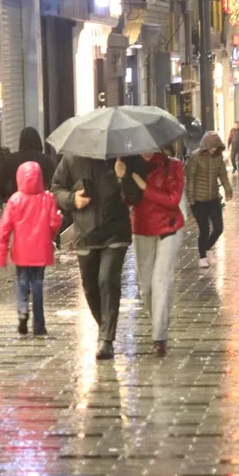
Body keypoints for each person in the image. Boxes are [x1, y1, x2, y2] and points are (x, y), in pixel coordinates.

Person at [51, 154, 143, 360]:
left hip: (115, 233)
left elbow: (136, 197)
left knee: (107, 279)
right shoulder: (72, 159)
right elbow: (57, 188)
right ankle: (105, 328)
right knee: (90, 287)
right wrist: (72, 199)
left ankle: (106, 339)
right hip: (86, 235)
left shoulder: (123, 156)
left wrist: (123, 177)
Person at [0, 162, 62, 336]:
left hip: (21, 251)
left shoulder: (15, 200)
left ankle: (23, 309)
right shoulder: (48, 198)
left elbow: (4, 229)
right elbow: (54, 223)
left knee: (22, 281)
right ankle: (39, 324)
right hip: (41, 250)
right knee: (38, 283)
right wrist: (55, 227)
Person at [129, 150, 185, 357]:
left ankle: (159, 337)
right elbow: (124, 199)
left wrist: (144, 187)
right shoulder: (129, 165)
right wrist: (120, 177)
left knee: (160, 281)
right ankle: (158, 325)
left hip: (169, 228)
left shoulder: (172, 165)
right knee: (145, 287)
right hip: (141, 228)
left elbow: (173, 199)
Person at [186, 132, 233, 268]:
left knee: (218, 228)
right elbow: (190, 179)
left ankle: (207, 248)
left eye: (216, 147)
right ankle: (202, 257)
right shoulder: (195, 157)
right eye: (211, 147)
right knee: (204, 228)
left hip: (213, 198)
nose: (213, 149)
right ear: (205, 146)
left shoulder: (218, 157)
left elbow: (223, 174)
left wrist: (228, 189)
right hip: (199, 199)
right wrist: (191, 198)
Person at [0, 127, 56, 202]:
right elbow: (54, 184)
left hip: (18, 203)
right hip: (41, 203)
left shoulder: (11, 159)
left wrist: (8, 197)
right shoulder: (47, 160)